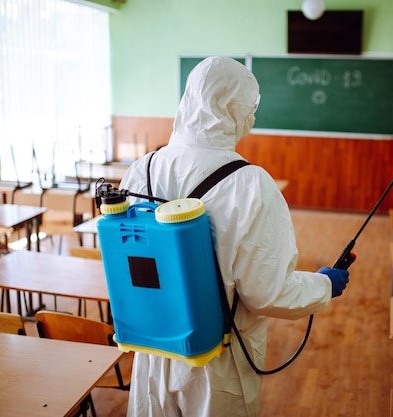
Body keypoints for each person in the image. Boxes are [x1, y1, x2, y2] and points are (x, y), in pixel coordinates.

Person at [120, 56, 349, 417]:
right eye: (250, 106)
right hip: (217, 364)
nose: (253, 117)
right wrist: (323, 286)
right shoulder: (250, 184)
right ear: (235, 108)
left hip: (153, 349)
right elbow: (267, 294)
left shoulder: (141, 169)